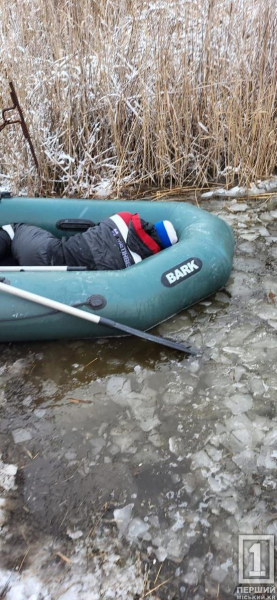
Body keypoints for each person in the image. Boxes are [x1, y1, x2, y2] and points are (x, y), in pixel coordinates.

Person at [0, 212, 178, 269]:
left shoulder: (124, 218)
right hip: (46, 264)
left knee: (12, 231)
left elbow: (97, 227)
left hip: (37, 245)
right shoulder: (138, 262)